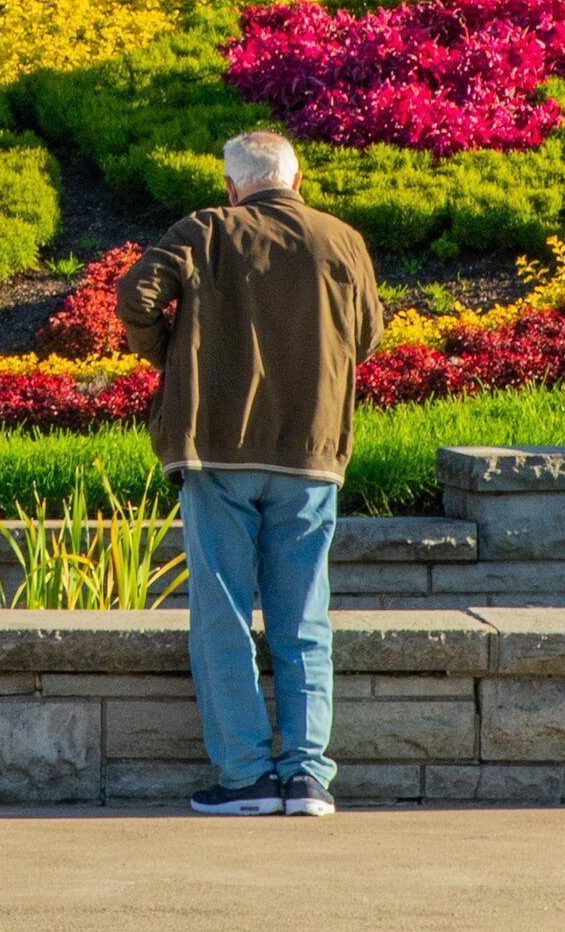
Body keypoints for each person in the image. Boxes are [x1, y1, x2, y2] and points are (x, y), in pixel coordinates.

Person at [113, 128, 384, 819]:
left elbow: (135, 296)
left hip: (217, 452)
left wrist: (170, 358)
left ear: (233, 186)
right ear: (296, 181)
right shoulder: (342, 240)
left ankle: (244, 778)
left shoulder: (206, 230)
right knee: (305, 618)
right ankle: (307, 778)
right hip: (311, 452)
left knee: (224, 617)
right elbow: (368, 336)